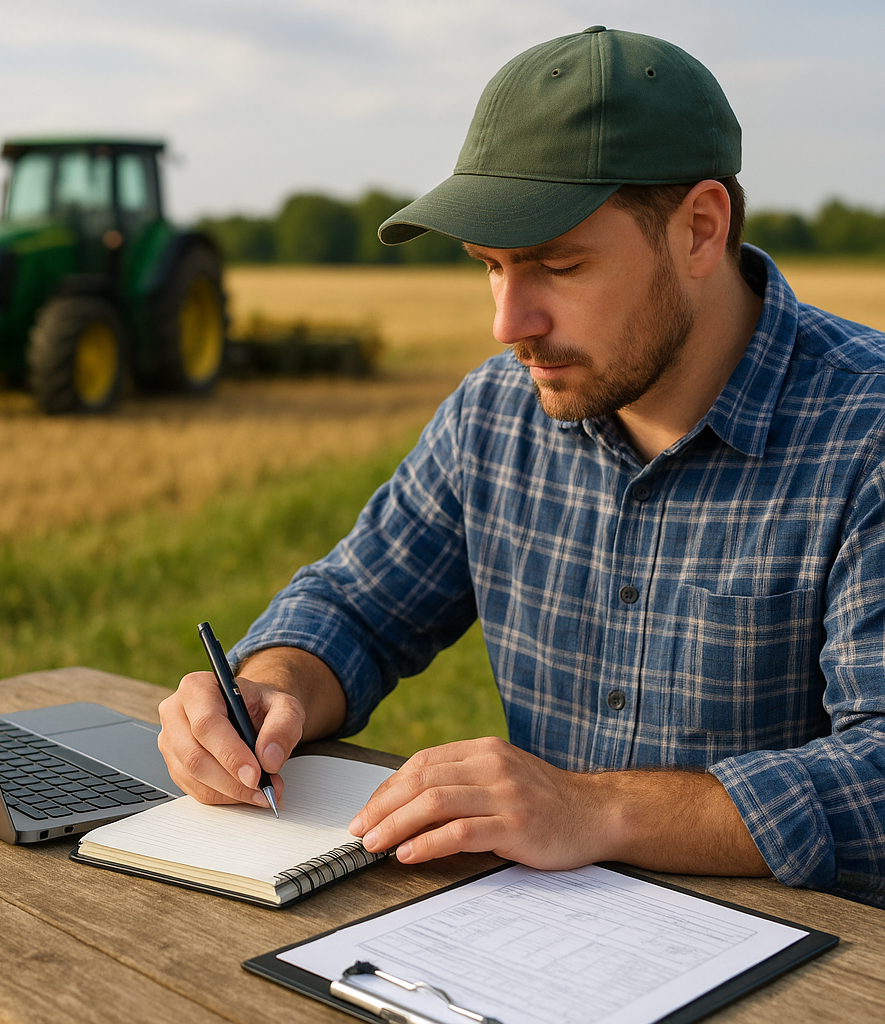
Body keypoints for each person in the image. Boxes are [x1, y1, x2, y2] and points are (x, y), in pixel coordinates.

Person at [158, 27, 885, 907]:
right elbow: (356, 605)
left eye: (558, 265)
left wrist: (598, 809)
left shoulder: (864, 433)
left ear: (700, 228)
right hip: (530, 952)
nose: (509, 324)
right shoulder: (494, 414)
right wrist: (269, 690)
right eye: (492, 268)